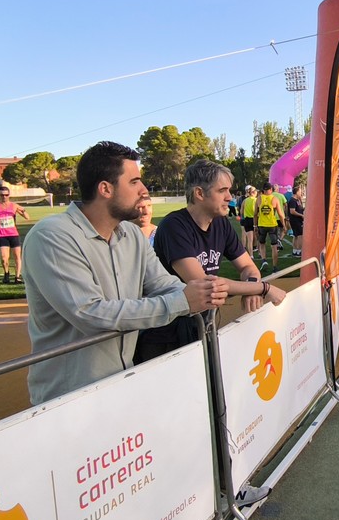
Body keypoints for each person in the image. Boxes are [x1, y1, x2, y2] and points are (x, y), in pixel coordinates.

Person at [23, 142, 221, 406]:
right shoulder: (52, 236)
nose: (144, 190)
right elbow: (91, 314)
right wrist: (184, 301)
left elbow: (164, 283)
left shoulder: (131, 235)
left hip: (123, 383)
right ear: (105, 189)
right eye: (134, 182)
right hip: (69, 399)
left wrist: (197, 293)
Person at [136, 159, 287, 364]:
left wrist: (251, 287)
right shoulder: (174, 226)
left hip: (201, 324)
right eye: (222, 191)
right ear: (199, 193)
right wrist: (262, 288)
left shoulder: (221, 224)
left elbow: (247, 267)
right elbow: (206, 286)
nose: (229, 197)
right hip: (166, 336)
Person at [0, 186, 30, 284]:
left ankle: (17, 277)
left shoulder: (14, 205)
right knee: (4, 258)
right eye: (2, 195)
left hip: (13, 234)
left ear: (9, 195)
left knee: (17, 256)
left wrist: (23, 210)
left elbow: (27, 217)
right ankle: (6, 273)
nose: (4, 197)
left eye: (6, 195)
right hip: (1, 235)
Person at [254, 181, 287, 272]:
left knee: (262, 243)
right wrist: (284, 225)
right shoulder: (274, 199)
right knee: (274, 246)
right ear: (271, 189)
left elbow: (255, 214)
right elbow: (280, 214)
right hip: (272, 225)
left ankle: (264, 260)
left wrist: (255, 226)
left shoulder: (259, 198)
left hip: (262, 225)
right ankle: (275, 267)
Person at [287, 180, 305, 257]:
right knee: (300, 235)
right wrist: (301, 215)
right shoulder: (292, 200)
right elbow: (292, 211)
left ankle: (295, 251)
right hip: (295, 220)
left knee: (296, 235)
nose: (301, 193)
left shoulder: (297, 200)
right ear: (296, 192)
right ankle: (299, 251)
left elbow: (299, 208)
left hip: (297, 220)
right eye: (300, 192)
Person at [240, 185, 259, 257]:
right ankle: (260, 253)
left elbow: (241, 211)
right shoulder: (256, 200)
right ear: (254, 192)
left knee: (250, 240)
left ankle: (251, 255)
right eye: (256, 191)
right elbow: (256, 211)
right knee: (258, 237)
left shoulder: (245, 200)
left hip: (247, 220)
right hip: (254, 220)